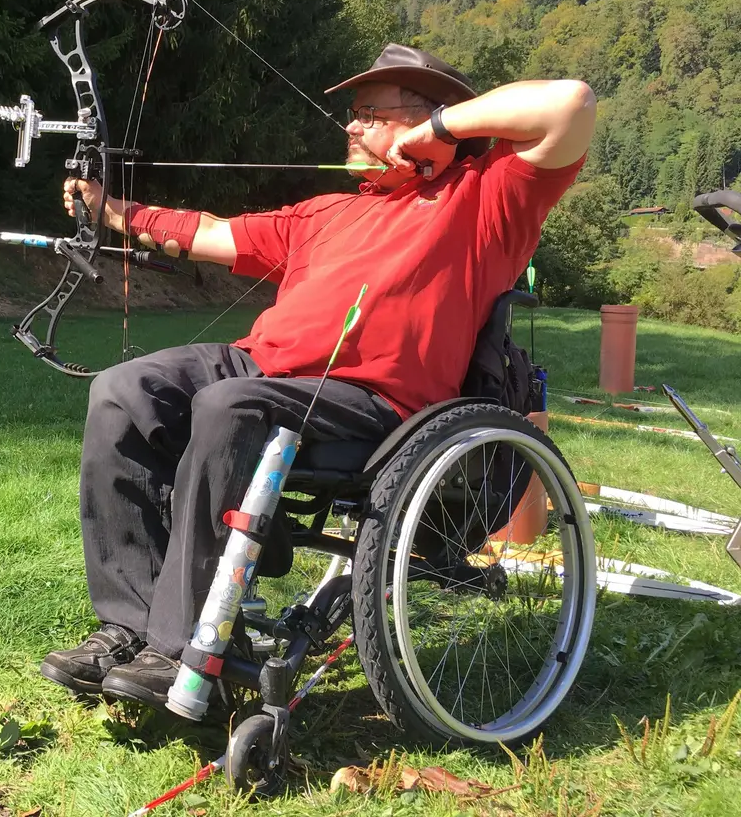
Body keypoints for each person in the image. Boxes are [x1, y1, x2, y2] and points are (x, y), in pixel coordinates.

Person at [37, 43, 597, 711]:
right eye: (353, 113)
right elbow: (214, 232)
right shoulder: (328, 211)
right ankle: (127, 628)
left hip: (377, 404)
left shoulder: (487, 198)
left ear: (429, 117)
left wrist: (443, 129)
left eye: (370, 114)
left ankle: (183, 647)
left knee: (230, 405)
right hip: (262, 368)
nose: (350, 126)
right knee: (123, 391)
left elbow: (571, 104)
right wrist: (112, 211)